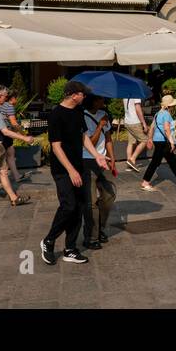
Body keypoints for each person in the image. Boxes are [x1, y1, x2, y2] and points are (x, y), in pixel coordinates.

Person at [40, 80, 108, 265]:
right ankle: (48, 240)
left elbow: (83, 136)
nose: (84, 96)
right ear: (72, 94)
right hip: (63, 170)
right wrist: (70, 170)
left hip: (80, 166)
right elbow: (56, 147)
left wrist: (97, 156)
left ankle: (70, 248)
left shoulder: (78, 112)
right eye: (82, 93)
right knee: (68, 206)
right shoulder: (56, 115)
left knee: (79, 207)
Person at [81, 94, 117, 250]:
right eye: (101, 99)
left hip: (104, 161)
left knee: (109, 195)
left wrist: (113, 158)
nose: (104, 101)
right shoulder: (82, 117)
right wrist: (99, 126)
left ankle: (100, 227)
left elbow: (108, 138)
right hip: (87, 160)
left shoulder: (104, 114)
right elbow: (90, 142)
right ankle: (91, 236)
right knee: (91, 201)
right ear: (93, 100)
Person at [141, 94, 176, 191]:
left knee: (171, 160)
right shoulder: (166, 114)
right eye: (173, 105)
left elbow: (152, 127)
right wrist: (171, 142)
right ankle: (145, 182)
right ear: (170, 106)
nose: (174, 107)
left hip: (158, 140)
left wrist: (149, 139)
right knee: (155, 162)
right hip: (163, 141)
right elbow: (167, 129)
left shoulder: (158, 113)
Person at [121, 95, 150, 171]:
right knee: (144, 140)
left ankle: (129, 164)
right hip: (135, 122)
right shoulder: (136, 95)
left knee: (131, 142)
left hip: (127, 121)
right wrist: (143, 123)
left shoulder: (125, 95)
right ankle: (132, 159)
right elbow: (138, 108)